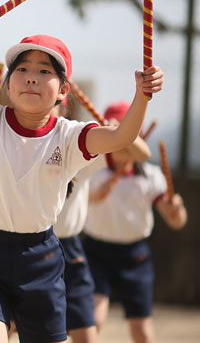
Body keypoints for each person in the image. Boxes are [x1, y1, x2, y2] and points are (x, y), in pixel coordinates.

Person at [0, 26, 163, 343]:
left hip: (41, 259)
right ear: (8, 85)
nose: (31, 78)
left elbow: (122, 138)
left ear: (63, 90)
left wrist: (142, 95)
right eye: (22, 69)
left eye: (44, 71)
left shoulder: (70, 136)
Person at [0, 97, 151, 343]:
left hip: (64, 247)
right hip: (20, 248)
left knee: (88, 329)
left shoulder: (74, 140)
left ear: (62, 107)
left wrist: (116, 129)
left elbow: (139, 152)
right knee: (3, 326)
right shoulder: (11, 140)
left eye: (50, 101)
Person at [83, 101, 187, 343]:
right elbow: (74, 203)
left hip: (135, 256)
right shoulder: (93, 168)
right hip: (97, 252)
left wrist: (176, 210)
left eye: (125, 132)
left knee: (142, 332)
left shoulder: (150, 176)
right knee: (93, 320)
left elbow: (177, 222)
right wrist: (94, 196)